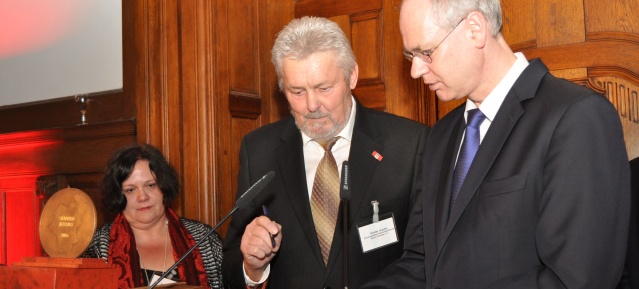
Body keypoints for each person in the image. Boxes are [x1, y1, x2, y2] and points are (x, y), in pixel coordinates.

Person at [362, 0, 630, 288]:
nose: (415, 70)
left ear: (475, 29)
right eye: (410, 55)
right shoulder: (441, 135)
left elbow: (578, 280)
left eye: (426, 52)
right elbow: (421, 262)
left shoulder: (575, 117)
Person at [222, 16, 429, 289]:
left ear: (352, 75)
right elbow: (230, 264)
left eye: (324, 88)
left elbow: (426, 256)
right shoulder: (259, 150)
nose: (311, 105)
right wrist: (252, 266)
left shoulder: (408, 144)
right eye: (297, 91)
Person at [84, 144, 223, 289]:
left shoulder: (204, 238)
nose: (142, 197)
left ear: (164, 186)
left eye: (150, 185)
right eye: (130, 190)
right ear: (117, 196)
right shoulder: (98, 247)